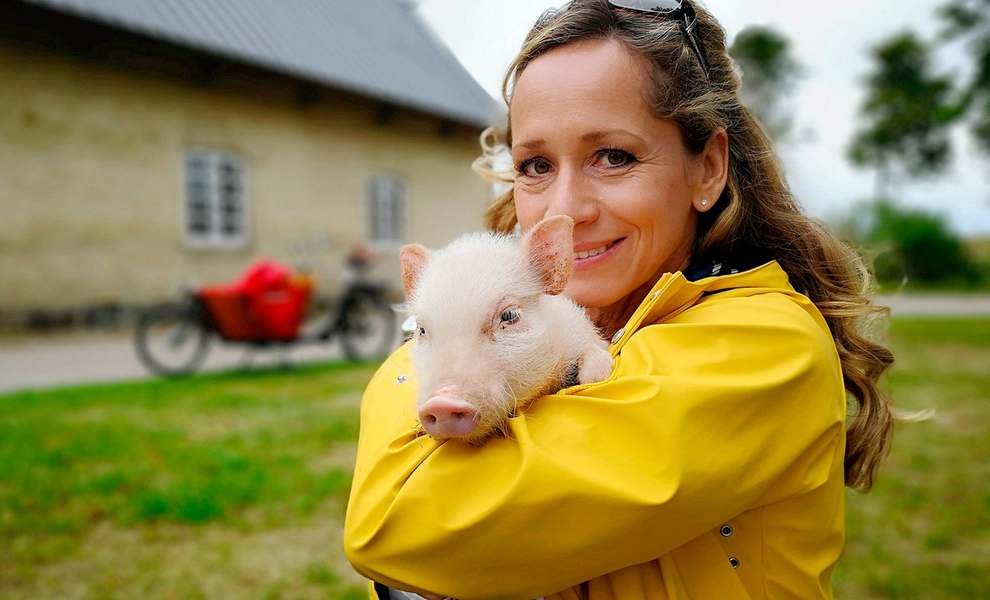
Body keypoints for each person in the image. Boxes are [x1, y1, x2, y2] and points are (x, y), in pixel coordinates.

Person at [344, 0, 896, 598]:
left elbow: (396, 525)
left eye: (614, 157)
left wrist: (444, 324)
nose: (566, 208)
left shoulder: (764, 346)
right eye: (535, 164)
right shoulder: (544, 322)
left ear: (707, 168)